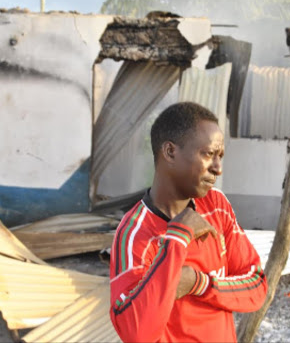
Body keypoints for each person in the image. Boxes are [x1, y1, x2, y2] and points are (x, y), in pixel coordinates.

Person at [109, 102, 268, 342]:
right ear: (170, 152)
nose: (218, 168)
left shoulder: (216, 206)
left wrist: (199, 283)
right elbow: (137, 333)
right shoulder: (135, 233)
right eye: (208, 154)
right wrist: (178, 237)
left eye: (220, 156)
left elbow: (256, 287)